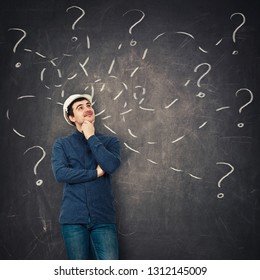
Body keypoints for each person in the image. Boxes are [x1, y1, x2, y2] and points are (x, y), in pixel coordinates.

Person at [51, 93, 121, 260]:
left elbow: (111, 165)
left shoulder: (111, 142)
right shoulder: (62, 144)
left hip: (103, 218)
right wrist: (95, 173)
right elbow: (60, 173)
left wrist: (90, 136)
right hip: (73, 220)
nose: (87, 109)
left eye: (88, 105)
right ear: (71, 117)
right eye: (80, 108)